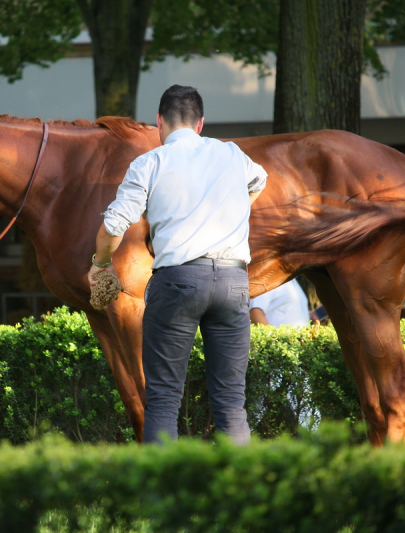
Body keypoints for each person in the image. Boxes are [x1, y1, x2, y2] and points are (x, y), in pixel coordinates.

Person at [87, 84, 267, 444]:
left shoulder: (151, 162)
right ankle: (242, 497)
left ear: (159, 123)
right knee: (232, 403)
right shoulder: (231, 154)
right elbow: (260, 179)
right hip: (233, 281)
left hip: (178, 282)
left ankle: (164, 498)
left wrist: (100, 263)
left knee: (164, 401)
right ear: (200, 124)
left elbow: (113, 226)